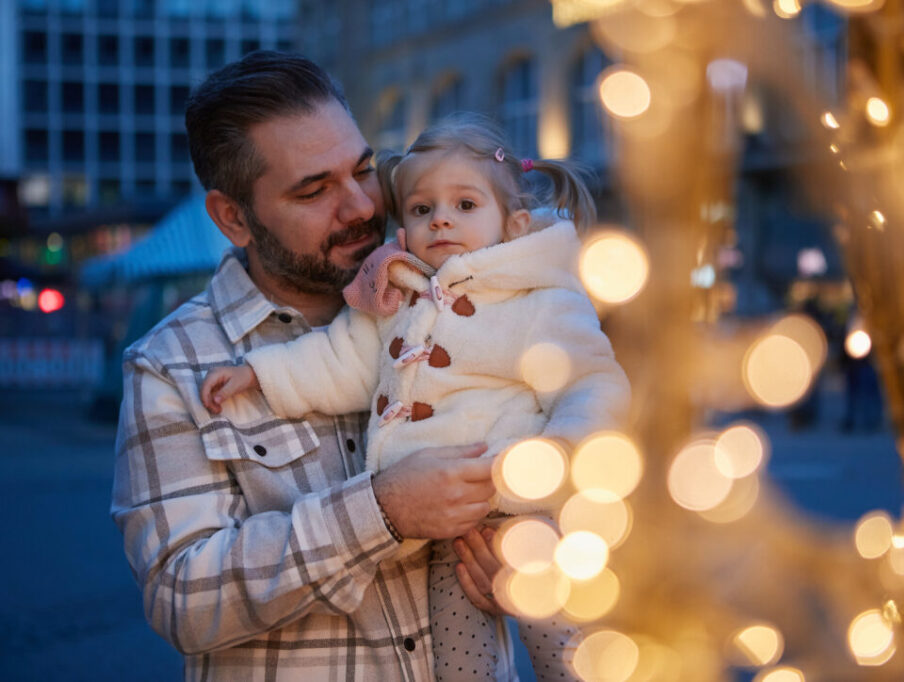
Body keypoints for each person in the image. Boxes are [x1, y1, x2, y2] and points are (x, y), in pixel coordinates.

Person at [111, 51, 505, 680]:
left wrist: (519, 567)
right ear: (232, 217)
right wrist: (382, 512)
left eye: (364, 169)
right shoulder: (172, 364)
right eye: (314, 189)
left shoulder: (463, 292)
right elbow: (181, 598)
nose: (359, 206)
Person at [199, 116, 631, 681]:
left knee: (567, 645)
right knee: (459, 660)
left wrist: (557, 456)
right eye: (423, 210)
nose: (442, 219)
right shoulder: (400, 293)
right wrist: (260, 373)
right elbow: (340, 360)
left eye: (466, 205)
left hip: (524, 505)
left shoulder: (540, 300)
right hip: (436, 527)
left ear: (514, 222)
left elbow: (592, 383)